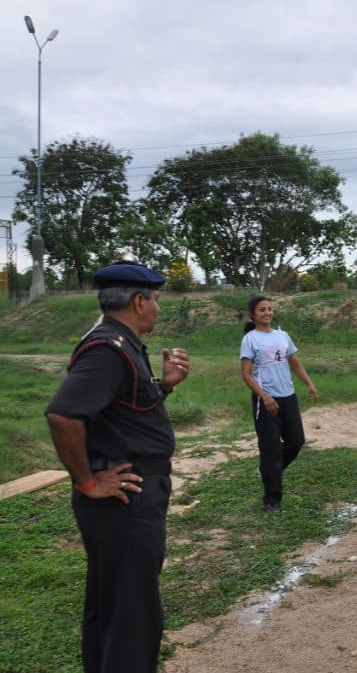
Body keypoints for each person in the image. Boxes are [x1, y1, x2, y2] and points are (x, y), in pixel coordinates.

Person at [45, 261, 192, 673]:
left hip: (132, 496)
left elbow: (125, 410)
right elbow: (63, 416)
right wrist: (87, 481)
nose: (159, 310)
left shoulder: (122, 343)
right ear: (138, 300)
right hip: (125, 500)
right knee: (133, 614)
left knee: (113, 606)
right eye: (157, 301)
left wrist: (164, 385)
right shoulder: (107, 348)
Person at [240, 295, 319, 513]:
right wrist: (264, 396)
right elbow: (246, 375)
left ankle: (269, 470)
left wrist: (310, 384)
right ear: (253, 315)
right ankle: (272, 500)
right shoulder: (250, 339)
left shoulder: (283, 336)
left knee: (296, 441)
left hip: (288, 397)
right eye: (262, 310)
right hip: (266, 401)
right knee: (271, 450)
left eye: (269, 309)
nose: (267, 313)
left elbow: (295, 363)